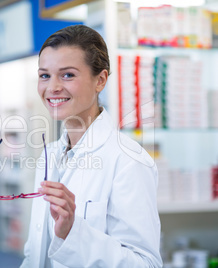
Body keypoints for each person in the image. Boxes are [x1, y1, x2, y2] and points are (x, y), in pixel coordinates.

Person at [20, 25, 162, 267]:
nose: (52, 87)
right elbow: (36, 253)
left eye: (67, 75)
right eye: (44, 75)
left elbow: (146, 263)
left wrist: (73, 233)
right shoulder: (49, 155)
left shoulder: (128, 160)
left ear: (101, 80)